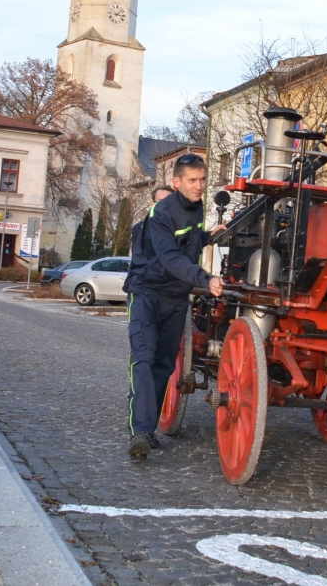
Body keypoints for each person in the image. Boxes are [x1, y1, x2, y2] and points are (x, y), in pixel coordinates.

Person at [126, 155, 223, 459]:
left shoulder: (197, 208)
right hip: (147, 294)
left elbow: (188, 243)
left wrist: (208, 237)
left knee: (164, 365)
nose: (199, 186)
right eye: (192, 180)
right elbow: (170, 257)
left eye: (203, 179)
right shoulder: (160, 213)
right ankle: (140, 433)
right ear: (177, 182)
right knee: (143, 359)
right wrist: (205, 279)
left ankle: (148, 429)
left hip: (176, 299)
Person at [122, 184, 174, 297]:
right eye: (160, 202)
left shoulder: (178, 230)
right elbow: (144, 259)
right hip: (143, 290)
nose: (164, 206)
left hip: (171, 293)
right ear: (152, 204)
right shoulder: (139, 228)